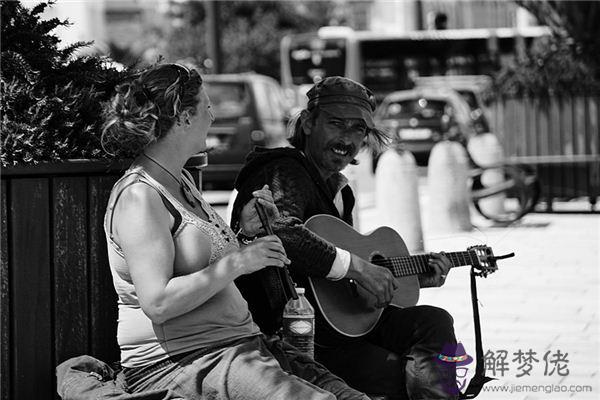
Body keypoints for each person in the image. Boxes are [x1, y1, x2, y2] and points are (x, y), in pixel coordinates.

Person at [101, 64, 370, 400]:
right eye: (207, 107)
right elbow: (157, 302)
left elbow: (204, 264)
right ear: (184, 118)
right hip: (183, 363)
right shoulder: (140, 196)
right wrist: (240, 261)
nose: (213, 117)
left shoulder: (180, 179)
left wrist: (246, 231)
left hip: (239, 347)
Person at [231, 76, 458, 400]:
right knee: (394, 372)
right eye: (337, 124)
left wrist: (408, 279)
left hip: (339, 328)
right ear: (308, 123)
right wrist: (361, 270)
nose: (347, 138)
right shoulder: (283, 170)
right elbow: (279, 230)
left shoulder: (341, 192)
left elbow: (343, 277)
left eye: (358, 129)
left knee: (434, 321)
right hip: (296, 335)